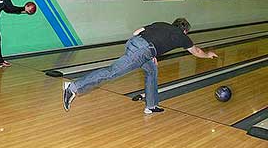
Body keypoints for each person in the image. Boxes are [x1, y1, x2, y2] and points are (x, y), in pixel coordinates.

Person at [63, 18, 218, 114]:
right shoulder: (181, 37)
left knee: (152, 71)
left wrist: (151, 54)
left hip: (135, 44)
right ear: (185, 30)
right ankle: (73, 87)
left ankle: (151, 105)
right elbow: (196, 51)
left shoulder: (161, 24)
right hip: (143, 51)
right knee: (112, 72)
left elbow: (136, 32)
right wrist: (208, 54)